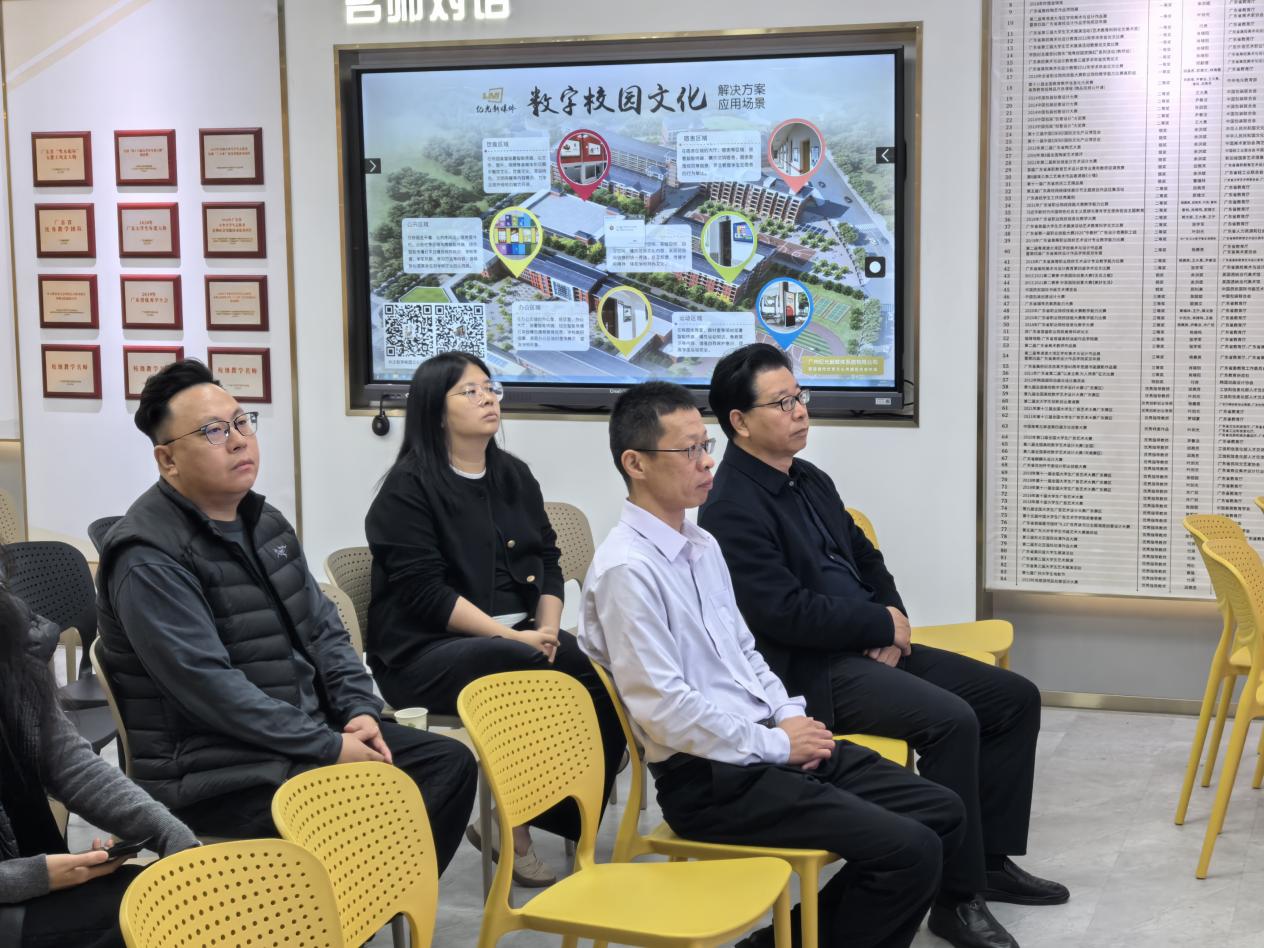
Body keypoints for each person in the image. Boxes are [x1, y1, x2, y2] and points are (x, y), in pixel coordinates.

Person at [700, 343, 1068, 948]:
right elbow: (781, 612)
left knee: (1012, 698)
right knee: (951, 720)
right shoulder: (729, 506)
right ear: (739, 421)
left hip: (867, 645)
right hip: (812, 671)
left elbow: (866, 557)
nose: (800, 411)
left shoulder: (808, 477)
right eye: (782, 403)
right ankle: (956, 899)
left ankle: (988, 862)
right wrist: (876, 627)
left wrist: (893, 619)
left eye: (800, 397)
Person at [579, 381, 967, 948]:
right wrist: (779, 745)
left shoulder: (701, 545)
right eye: (688, 450)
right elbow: (665, 711)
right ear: (635, 464)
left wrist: (788, 717)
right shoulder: (626, 572)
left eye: (706, 445)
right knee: (909, 850)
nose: (706, 461)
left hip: (766, 744)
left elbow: (746, 652)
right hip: (710, 778)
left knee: (942, 811)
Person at [95, 359, 476, 874]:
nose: (237, 441)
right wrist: (328, 746)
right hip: (214, 773)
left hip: (300, 740)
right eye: (213, 431)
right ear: (168, 460)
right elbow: (212, 690)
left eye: (241, 422)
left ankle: (367, 907)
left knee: (446, 765)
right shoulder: (147, 556)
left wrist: (360, 710)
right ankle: (352, 905)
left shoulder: (264, 522)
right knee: (365, 809)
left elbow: (325, 631)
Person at [365, 352, 625, 887]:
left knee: (599, 670)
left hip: (521, 637)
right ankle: (517, 826)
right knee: (526, 663)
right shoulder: (407, 489)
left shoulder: (512, 475)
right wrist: (516, 637)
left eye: (490, 387)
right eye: (470, 391)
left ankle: (555, 817)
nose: (487, 398)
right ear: (436, 411)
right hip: (424, 653)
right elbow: (427, 595)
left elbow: (547, 559)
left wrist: (546, 629)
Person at [0, 579, 198, 948]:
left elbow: (72, 765)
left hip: (36, 877)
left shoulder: (11, 637)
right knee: (165, 918)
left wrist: (170, 834)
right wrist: (30, 877)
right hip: (16, 897)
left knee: (186, 897)